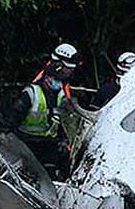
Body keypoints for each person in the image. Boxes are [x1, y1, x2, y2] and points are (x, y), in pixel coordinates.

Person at [4, 43, 79, 172]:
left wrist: (63, 141)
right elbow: (11, 122)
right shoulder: (31, 93)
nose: (70, 73)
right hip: (26, 144)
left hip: (48, 145)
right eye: (68, 69)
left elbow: (64, 124)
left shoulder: (62, 95)